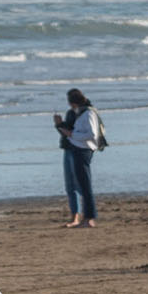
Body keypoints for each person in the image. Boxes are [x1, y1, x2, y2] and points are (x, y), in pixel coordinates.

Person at [52, 88, 103, 228]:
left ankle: (88, 217)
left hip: (81, 149)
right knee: (71, 184)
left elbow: (84, 133)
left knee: (82, 185)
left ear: (73, 102)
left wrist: (70, 133)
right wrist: (59, 125)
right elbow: (67, 131)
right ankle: (77, 216)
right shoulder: (73, 112)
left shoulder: (87, 113)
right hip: (71, 148)